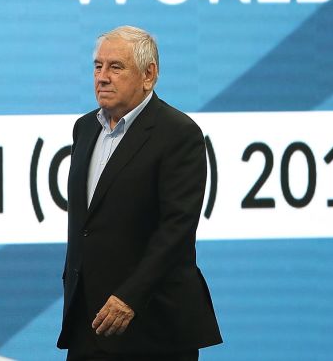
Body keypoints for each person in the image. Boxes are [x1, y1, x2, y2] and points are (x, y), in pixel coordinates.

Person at [58, 26, 222, 360]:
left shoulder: (178, 133)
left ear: (149, 75)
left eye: (115, 67)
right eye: (97, 66)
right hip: (89, 322)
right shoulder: (85, 128)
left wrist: (129, 297)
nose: (102, 77)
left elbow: (176, 230)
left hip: (153, 324)